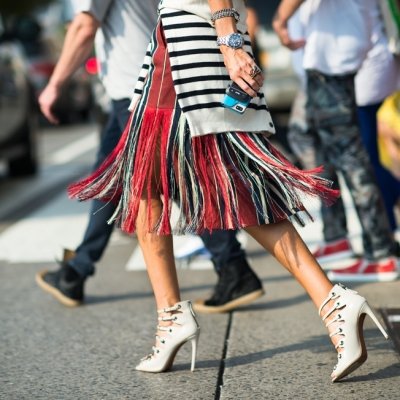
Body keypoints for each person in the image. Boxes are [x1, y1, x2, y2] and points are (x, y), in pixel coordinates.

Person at [69, 0, 389, 382]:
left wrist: (230, 41)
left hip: (189, 47)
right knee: (150, 182)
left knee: (209, 184)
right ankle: (175, 316)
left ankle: (331, 301)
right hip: (182, 40)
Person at [35, 0, 264, 312]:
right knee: (151, 179)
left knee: (143, 182)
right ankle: (233, 269)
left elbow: (84, 26)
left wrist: (54, 84)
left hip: (137, 88)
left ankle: (78, 272)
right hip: (155, 79)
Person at [274, 0, 399, 283]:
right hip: (329, 55)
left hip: (334, 58)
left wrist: (280, 19)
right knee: (310, 137)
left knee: (351, 157)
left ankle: (380, 253)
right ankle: (339, 237)